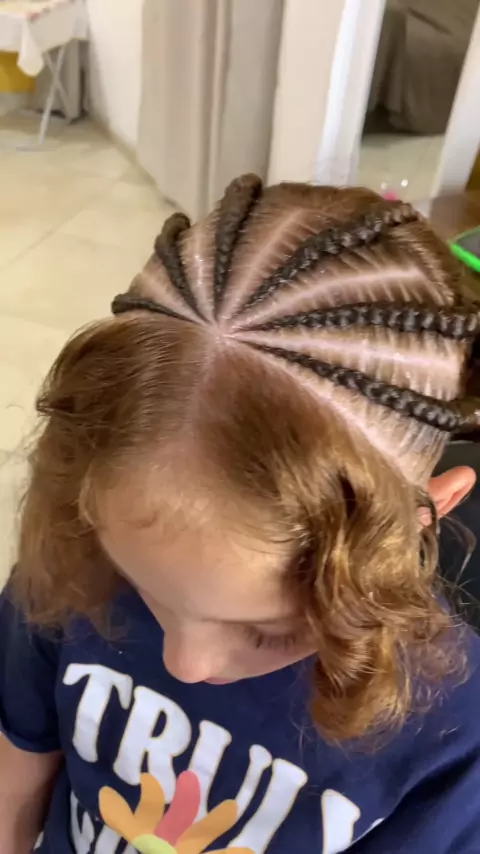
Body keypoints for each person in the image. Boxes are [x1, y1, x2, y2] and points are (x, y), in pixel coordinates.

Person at [1, 177, 480, 854]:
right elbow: (15, 775)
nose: (187, 662)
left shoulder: (450, 729)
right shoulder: (74, 567)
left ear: (426, 514)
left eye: (267, 632)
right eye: (145, 588)